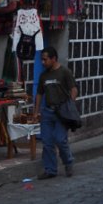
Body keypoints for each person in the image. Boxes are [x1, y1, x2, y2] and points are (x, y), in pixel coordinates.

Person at [33, 46, 77, 179]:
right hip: (47, 112)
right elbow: (39, 94)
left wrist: (70, 106)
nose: (43, 62)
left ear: (53, 59)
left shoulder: (64, 72)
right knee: (47, 142)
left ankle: (68, 162)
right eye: (42, 59)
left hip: (62, 112)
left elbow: (73, 89)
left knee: (60, 139)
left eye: (45, 59)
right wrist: (36, 112)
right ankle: (50, 169)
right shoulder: (43, 75)